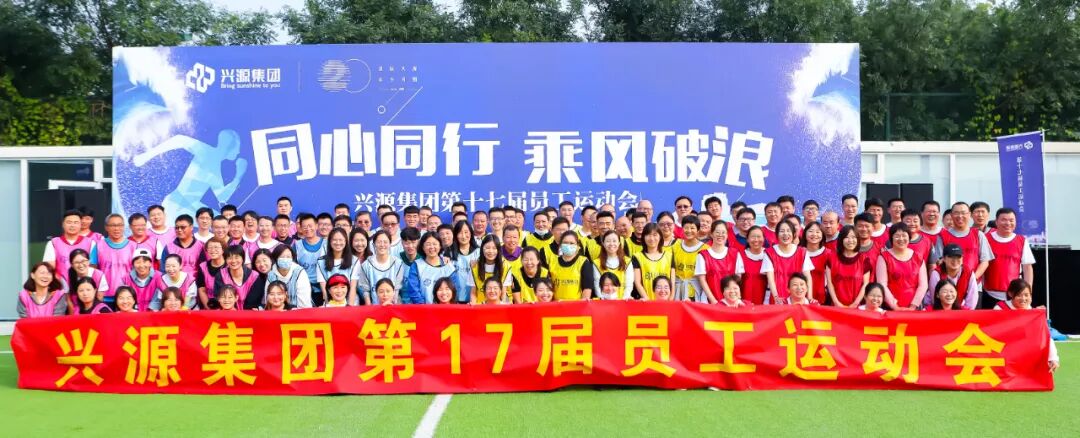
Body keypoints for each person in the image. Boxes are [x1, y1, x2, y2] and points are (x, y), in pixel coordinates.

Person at [994, 279, 1060, 373]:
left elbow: (1045, 336)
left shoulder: (1033, 313)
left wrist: (1053, 358)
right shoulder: (1000, 308)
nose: (1023, 299)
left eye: (1026, 295)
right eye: (1019, 295)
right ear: (1010, 294)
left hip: (1025, 353)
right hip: (1005, 352)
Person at [983, 208, 1036, 309]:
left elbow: (1027, 268)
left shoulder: (1021, 240)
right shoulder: (985, 238)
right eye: (1004, 220)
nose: (1008, 223)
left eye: (1011, 220)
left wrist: (1028, 293)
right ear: (996, 221)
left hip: (1015, 296)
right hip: (989, 294)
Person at [935, 202, 994, 286]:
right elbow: (939, 261)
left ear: (969, 214)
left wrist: (972, 279)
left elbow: (985, 261)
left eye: (963, 213)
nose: (960, 216)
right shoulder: (942, 236)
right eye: (956, 213)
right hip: (949, 286)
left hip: (974, 285)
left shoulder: (978, 235)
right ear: (951, 215)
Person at [876, 225, 928, 311]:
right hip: (890, 306)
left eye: (904, 235)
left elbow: (923, 285)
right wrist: (894, 306)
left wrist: (913, 306)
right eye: (897, 236)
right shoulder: (884, 257)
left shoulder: (918, 257)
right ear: (891, 238)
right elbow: (882, 284)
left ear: (909, 237)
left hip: (915, 306)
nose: (901, 239)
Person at [764, 221, 813, 304]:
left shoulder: (802, 252)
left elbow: (807, 276)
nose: (785, 234)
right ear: (777, 234)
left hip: (798, 297)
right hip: (778, 299)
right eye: (782, 231)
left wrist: (810, 297)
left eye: (788, 231)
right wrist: (776, 297)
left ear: (794, 234)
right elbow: (770, 278)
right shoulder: (769, 253)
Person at [44, 209, 98, 283]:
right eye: (69, 222)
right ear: (63, 224)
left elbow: (92, 269)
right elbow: (49, 268)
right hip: (60, 286)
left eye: (76, 222)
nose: (72, 225)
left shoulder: (91, 243)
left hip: (83, 286)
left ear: (80, 225)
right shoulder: (53, 243)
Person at [694, 221, 742, 305]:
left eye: (723, 232)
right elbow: (702, 280)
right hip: (709, 300)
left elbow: (738, 278)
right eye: (717, 232)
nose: (720, 235)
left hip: (731, 300)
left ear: (727, 235)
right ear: (711, 234)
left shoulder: (735, 253)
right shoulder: (703, 255)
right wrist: (713, 301)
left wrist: (735, 298)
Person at [825, 226, 871, 308]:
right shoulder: (831, 258)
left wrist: (855, 304)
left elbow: (865, 284)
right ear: (841, 239)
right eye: (847, 237)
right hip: (835, 306)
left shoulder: (864, 259)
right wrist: (836, 302)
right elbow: (829, 282)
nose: (850, 240)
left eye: (853, 237)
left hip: (858, 307)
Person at [405, 232, 456, 304]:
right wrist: (423, 306)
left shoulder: (448, 266)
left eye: (435, 244)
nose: (432, 247)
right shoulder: (417, 265)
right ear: (423, 247)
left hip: (445, 308)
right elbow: (413, 290)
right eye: (428, 244)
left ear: (440, 246)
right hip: (423, 308)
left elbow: (454, 289)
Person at [360, 231, 405, 305]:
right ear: (373, 244)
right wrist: (369, 307)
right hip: (374, 307)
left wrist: (393, 305)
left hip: (393, 305)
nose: (382, 245)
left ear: (390, 244)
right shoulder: (366, 265)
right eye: (379, 242)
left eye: (385, 242)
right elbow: (365, 290)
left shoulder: (398, 263)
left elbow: (397, 288)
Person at [927, 244, 979, 310]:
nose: (955, 260)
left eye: (958, 257)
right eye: (951, 257)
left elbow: (973, 296)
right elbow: (934, 298)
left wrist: (966, 313)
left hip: (960, 309)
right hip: (937, 309)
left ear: (962, 259)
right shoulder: (936, 273)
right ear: (944, 259)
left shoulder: (969, 272)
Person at [96, 213, 134, 302]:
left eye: (120, 225)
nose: (117, 228)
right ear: (106, 227)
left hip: (126, 297)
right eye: (113, 225)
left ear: (124, 227)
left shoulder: (133, 246)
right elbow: (93, 271)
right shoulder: (98, 245)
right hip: (104, 296)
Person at [315, 228, 358, 305]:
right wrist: (330, 306)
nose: (338, 243)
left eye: (341, 240)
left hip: (350, 303)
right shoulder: (321, 262)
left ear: (346, 241)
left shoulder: (354, 260)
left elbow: (353, 287)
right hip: (330, 304)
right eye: (334, 240)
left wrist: (349, 307)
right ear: (330, 242)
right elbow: (324, 289)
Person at [632, 224, 675, 301]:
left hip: (666, 301)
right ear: (643, 237)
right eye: (648, 235)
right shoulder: (637, 257)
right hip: (646, 301)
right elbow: (637, 282)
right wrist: (646, 299)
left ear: (660, 237)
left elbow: (672, 282)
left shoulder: (669, 256)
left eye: (655, 235)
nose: (652, 238)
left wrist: (670, 299)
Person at [549, 230, 595, 301]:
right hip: (556, 304)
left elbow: (587, 288)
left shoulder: (583, 262)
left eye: (572, 243)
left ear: (577, 245)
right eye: (565, 243)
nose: (568, 245)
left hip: (576, 305)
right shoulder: (552, 261)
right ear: (560, 244)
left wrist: (582, 305)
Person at [293, 213, 326, 306]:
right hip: (304, 288)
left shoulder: (327, 244)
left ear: (316, 226)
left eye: (310, 226)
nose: (308, 229)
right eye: (304, 227)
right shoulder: (297, 245)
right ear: (300, 228)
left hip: (324, 288)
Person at [672, 215, 707, 301]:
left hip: (696, 291)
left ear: (698, 230)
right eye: (686, 228)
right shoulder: (675, 245)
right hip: (677, 290)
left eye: (692, 228)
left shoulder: (705, 249)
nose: (689, 231)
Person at [591, 231, 633, 301]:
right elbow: (597, 284)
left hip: (622, 301)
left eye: (614, 241)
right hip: (604, 302)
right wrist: (602, 299)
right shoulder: (596, 263)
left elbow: (629, 283)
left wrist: (624, 299)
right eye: (608, 241)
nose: (611, 244)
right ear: (603, 243)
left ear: (619, 243)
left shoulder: (627, 261)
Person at [161, 214, 206, 279]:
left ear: (191, 227)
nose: (179, 230)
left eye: (183, 227)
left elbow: (204, 269)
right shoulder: (168, 247)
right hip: (174, 283)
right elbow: (163, 270)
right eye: (177, 227)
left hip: (196, 283)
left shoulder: (201, 246)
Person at [447, 220, 479, 304]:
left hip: (474, 300)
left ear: (471, 233)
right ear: (455, 235)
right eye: (460, 233)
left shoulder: (479, 252)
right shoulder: (449, 253)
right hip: (454, 300)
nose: (464, 236)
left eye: (466, 232)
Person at [738, 226, 770, 305]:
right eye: (753, 237)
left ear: (764, 238)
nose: (756, 240)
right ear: (747, 239)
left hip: (766, 302)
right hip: (744, 302)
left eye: (759, 237)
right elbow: (737, 281)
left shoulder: (770, 254)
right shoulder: (740, 255)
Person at [801, 221, 830, 304]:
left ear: (822, 235)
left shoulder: (828, 254)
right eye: (811, 231)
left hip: (822, 297)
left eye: (818, 232)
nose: (814, 234)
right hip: (800, 296)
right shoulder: (798, 252)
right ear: (805, 234)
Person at [472, 235, 505, 304]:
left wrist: (502, 307)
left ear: (498, 250)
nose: (491, 251)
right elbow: (473, 292)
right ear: (482, 249)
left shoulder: (505, 266)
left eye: (494, 248)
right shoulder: (475, 266)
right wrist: (473, 306)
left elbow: (503, 292)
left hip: (498, 307)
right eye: (487, 248)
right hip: (480, 307)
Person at [196, 237, 228, 308]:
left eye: (216, 247)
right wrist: (209, 308)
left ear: (223, 250)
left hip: (227, 305)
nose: (213, 250)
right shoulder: (202, 266)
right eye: (210, 247)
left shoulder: (229, 266)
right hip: (209, 306)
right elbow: (202, 290)